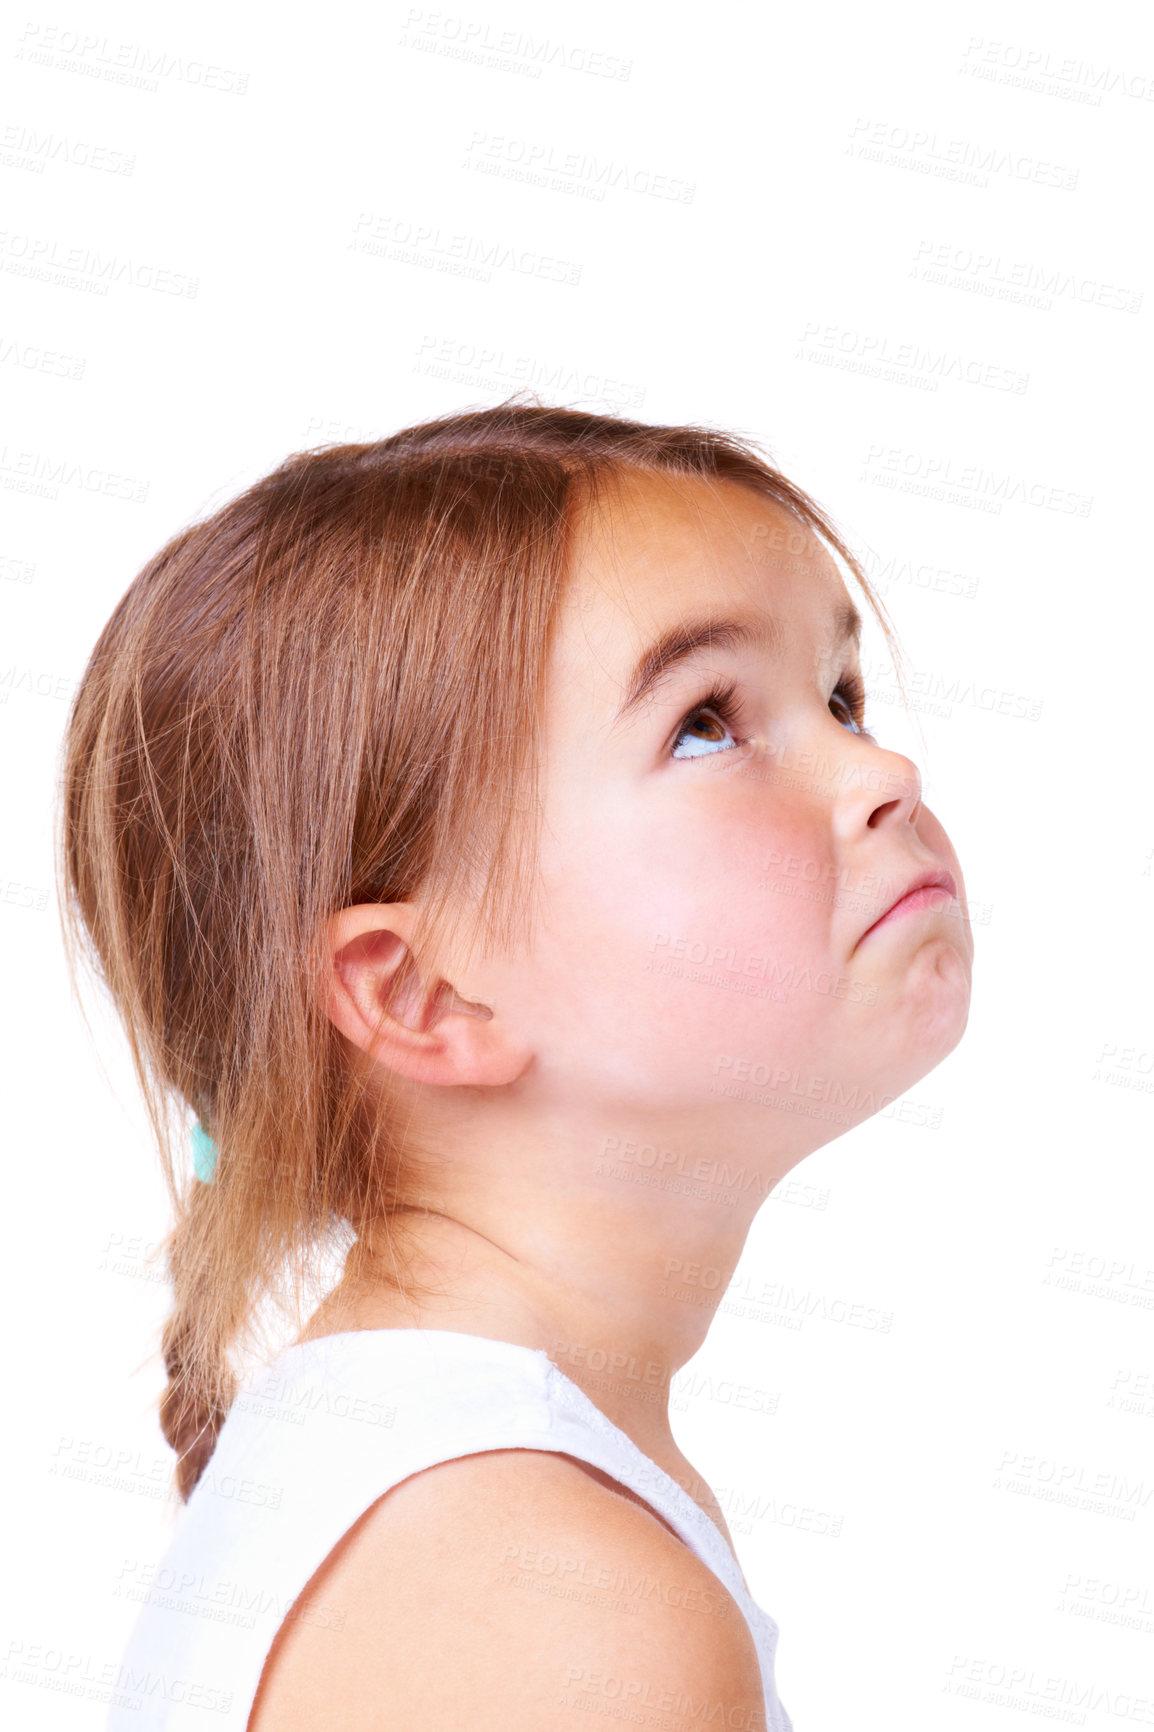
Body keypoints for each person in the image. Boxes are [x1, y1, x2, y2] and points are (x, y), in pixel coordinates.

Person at [59, 400, 973, 1730]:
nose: (880, 769)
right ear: (422, 995)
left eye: (838, 694)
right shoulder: (546, 1593)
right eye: (706, 722)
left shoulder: (490, 1499)